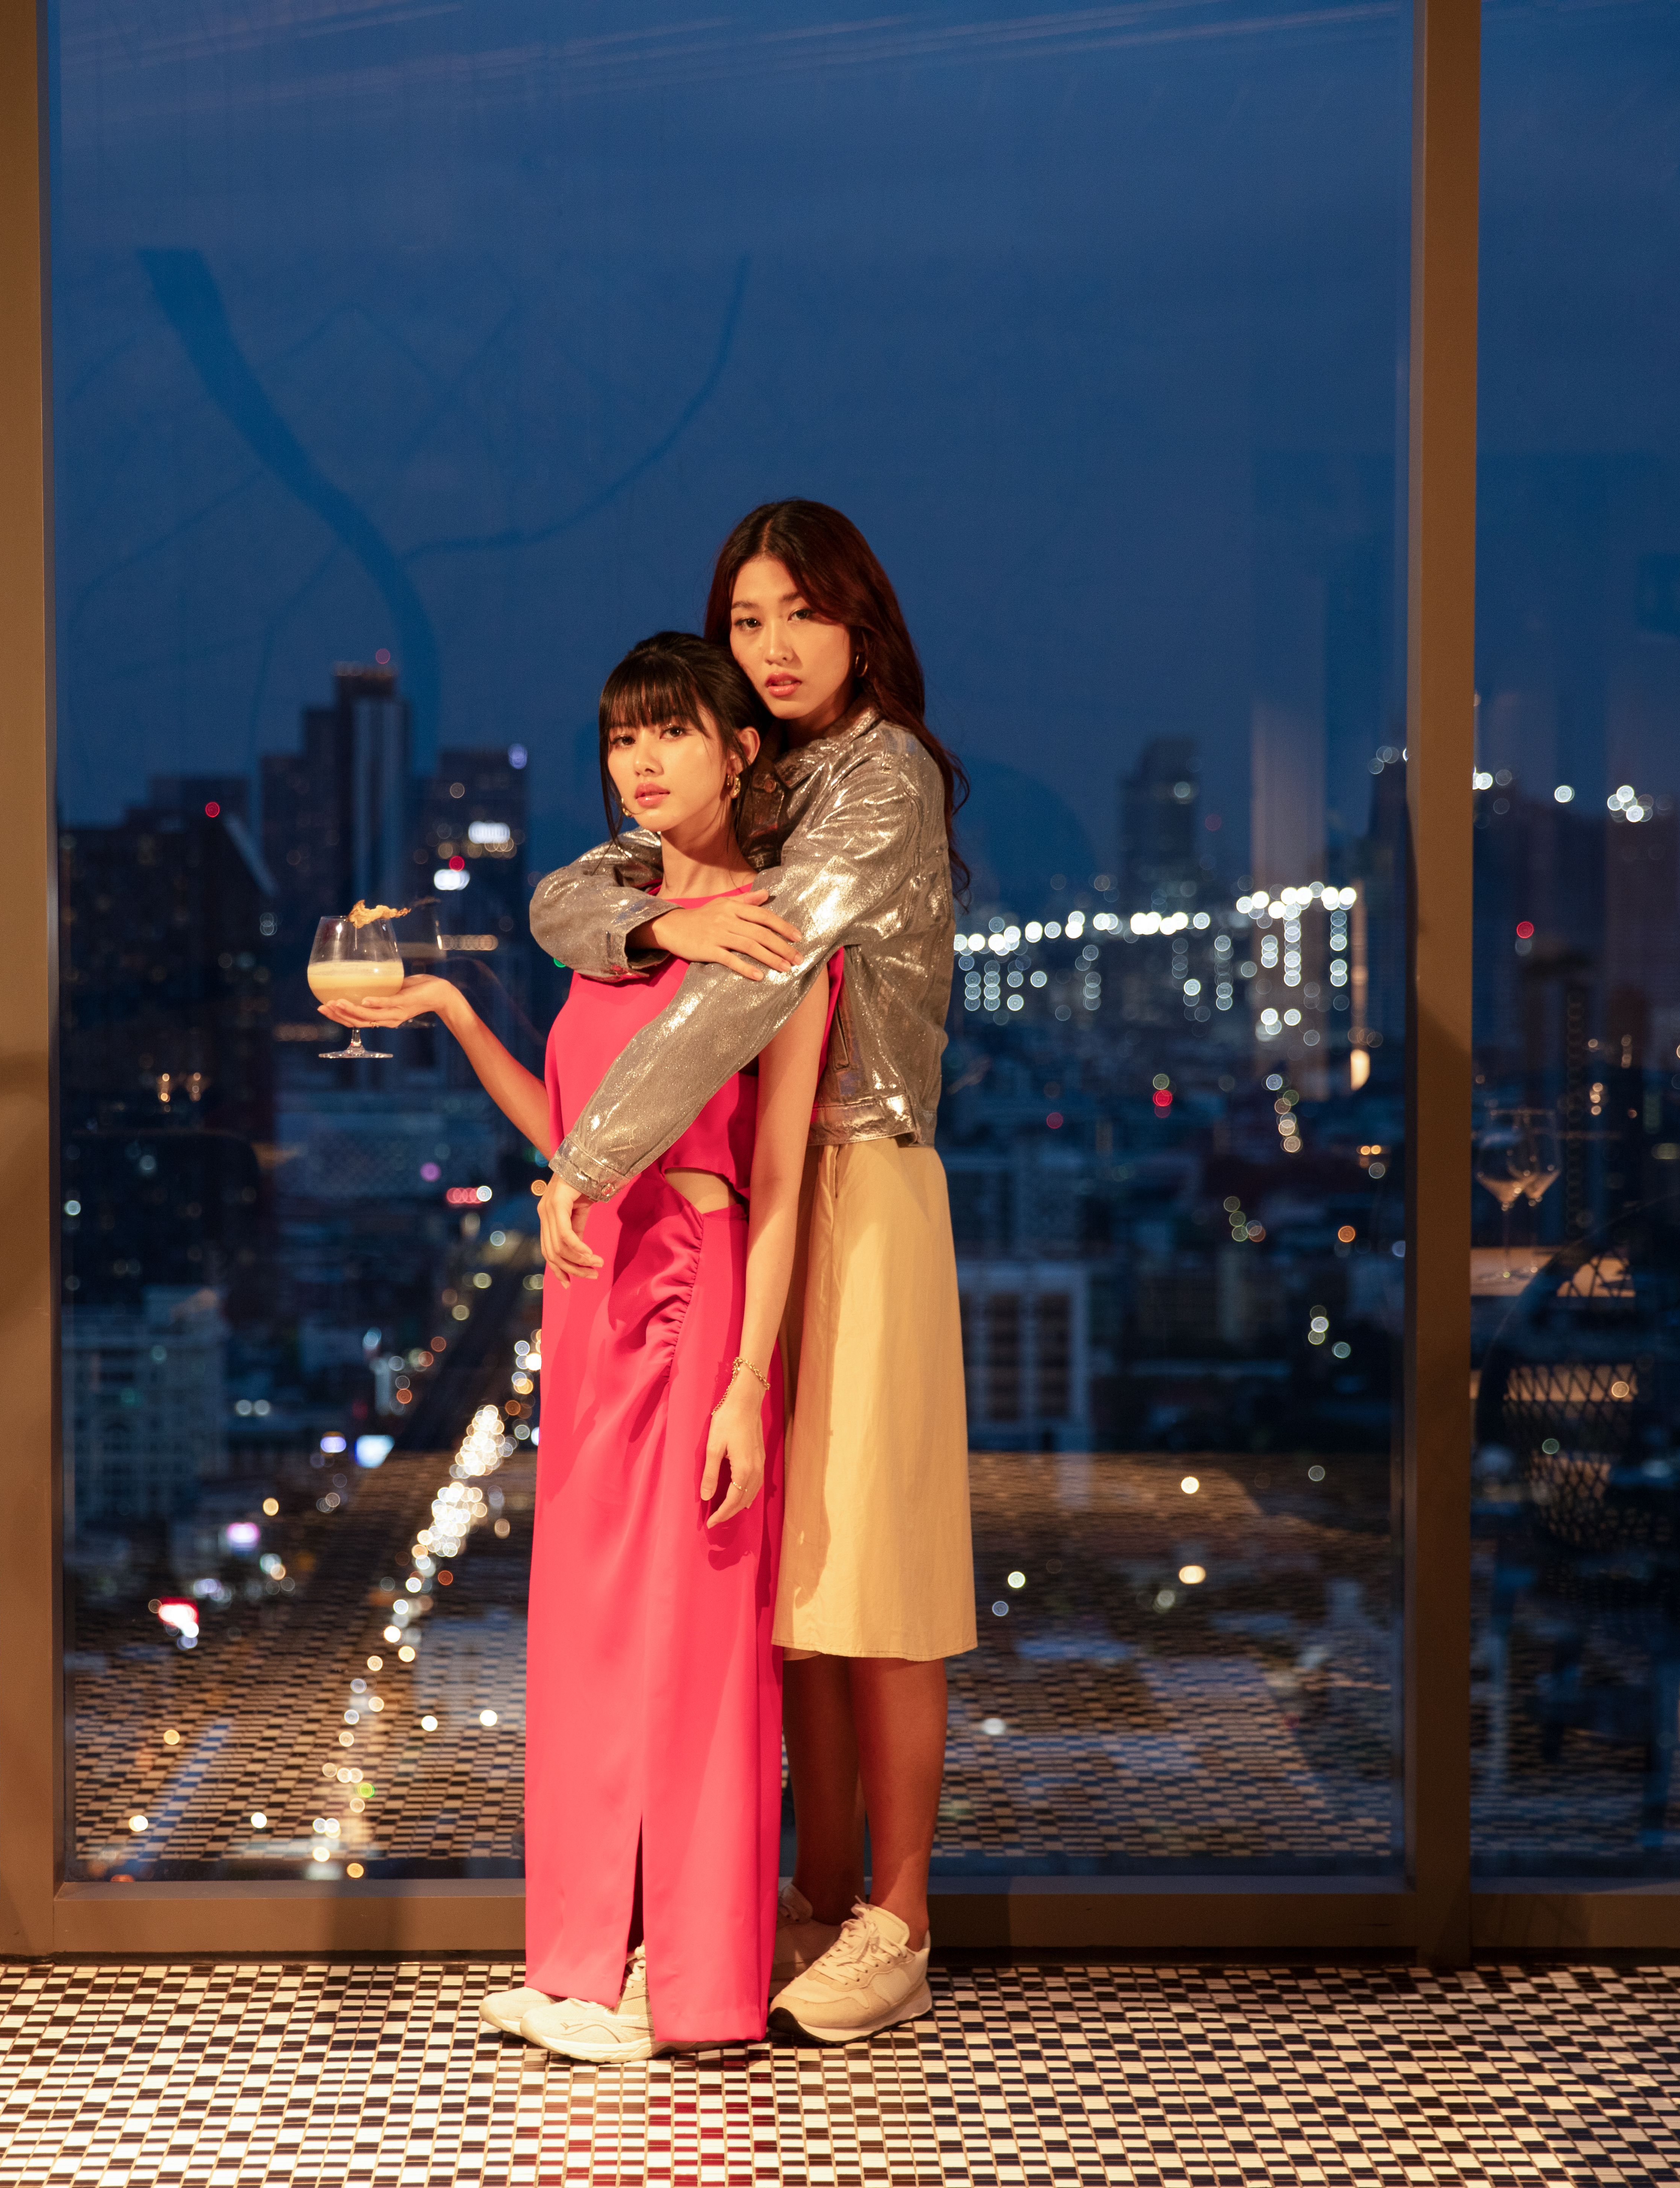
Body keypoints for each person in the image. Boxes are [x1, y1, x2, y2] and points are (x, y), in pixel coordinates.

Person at [321, 632, 830, 2063]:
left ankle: (693, 1976)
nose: (640, 762)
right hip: (592, 1296)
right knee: (591, 1638)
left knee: (697, 1644)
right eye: (619, 739)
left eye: (670, 733)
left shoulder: (782, 929)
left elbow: (780, 1179)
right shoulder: (613, 917)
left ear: (739, 751)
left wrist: (746, 1384)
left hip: (698, 1281)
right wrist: (446, 1011)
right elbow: (566, 1134)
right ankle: (580, 1965)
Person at [530, 501, 973, 2047]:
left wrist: (587, 1157)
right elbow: (571, 901)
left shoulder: (885, 783)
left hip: (863, 1181)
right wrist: (660, 913)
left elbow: (761, 980)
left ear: (862, 623)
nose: (772, 647)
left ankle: (897, 1916)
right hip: (747, 1205)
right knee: (774, 1582)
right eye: (745, 620)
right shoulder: (752, 771)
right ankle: (806, 1891)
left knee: (880, 1575)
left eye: (801, 615)